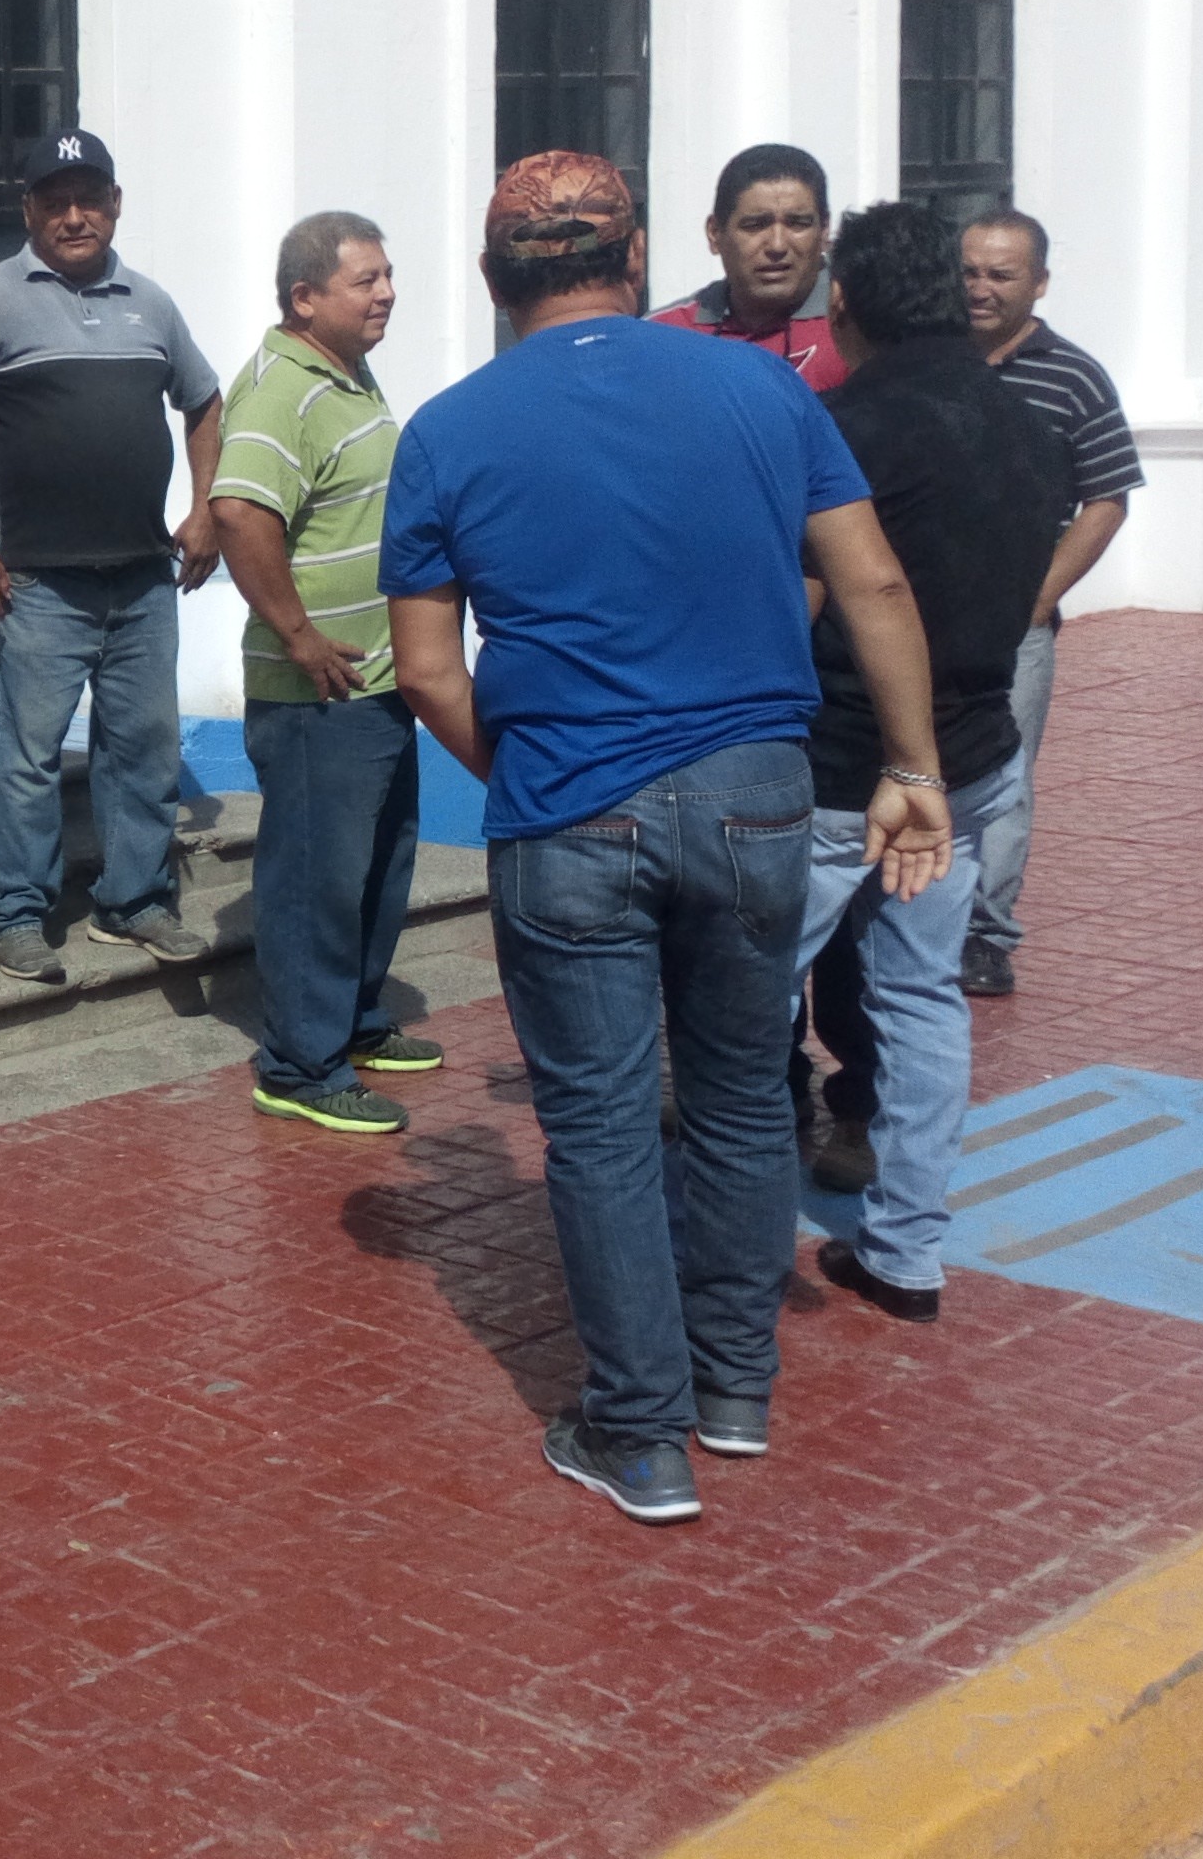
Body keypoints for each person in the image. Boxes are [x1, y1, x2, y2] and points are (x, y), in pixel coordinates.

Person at [385, 152, 950, 1526]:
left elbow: (426, 669)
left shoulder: (447, 431)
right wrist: (912, 768)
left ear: (491, 278)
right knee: (744, 1092)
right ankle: (734, 1385)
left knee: (598, 1123)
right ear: (634, 259)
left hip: (570, 805)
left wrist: (533, 774)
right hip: (758, 792)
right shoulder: (762, 387)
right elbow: (871, 579)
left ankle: (637, 1433)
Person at [787, 202, 1063, 1322]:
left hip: (842, 769)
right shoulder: (1030, 423)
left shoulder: (846, 428)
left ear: (845, 301)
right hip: (966, 762)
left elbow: (800, 599)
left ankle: (728, 1241)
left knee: (749, 999)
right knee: (921, 999)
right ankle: (906, 1252)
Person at [0, 127, 225, 984]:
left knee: (146, 749)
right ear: (29, 210)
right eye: (55, 202)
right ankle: (13, 913)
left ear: (115, 204)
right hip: (35, 585)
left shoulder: (152, 304)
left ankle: (134, 903)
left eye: (90, 199)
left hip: (142, 577)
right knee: (27, 758)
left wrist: (206, 509)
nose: (75, 216)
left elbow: (204, 402)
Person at [209, 214, 437, 1137]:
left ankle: (356, 1022)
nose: (386, 293)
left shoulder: (345, 372)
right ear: (304, 298)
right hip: (316, 692)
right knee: (316, 881)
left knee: (378, 865)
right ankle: (300, 1067)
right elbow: (238, 513)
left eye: (388, 275)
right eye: (365, 281)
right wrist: (299, 635)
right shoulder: (282, 391)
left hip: (376, 680)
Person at [956, 208, 1141, 997]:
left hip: (1015, 624)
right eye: (969, 271)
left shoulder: (1073, 376)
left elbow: (1107, 498)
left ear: (1039, 283)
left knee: (1003, 776)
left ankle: (984, 935)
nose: (981, 288)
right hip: (920, 613)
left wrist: (1039, 600)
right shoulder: (927, 362)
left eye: (1001, 275)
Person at [651, 143, 848, 392]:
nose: (777, 245)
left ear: (825, 230)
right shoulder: (663, 335)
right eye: (755, 225)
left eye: (797, 223)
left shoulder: (863, 328)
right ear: (715, 234)